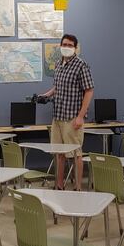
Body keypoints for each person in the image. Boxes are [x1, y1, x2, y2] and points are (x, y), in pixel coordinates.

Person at [39, 34, 94, 190]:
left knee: (75, 154)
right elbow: (58, 87)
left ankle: (77, 187)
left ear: (75, 48)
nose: (67, 47)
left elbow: (89, 91)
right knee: (59, 153)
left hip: (72, 117)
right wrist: (46, 95)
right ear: (60, 45)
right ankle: (59, 184)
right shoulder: (58, 64)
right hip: (58, 116)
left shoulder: (81, 65)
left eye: (70, 45)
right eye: (64, 44)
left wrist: (81, 117)